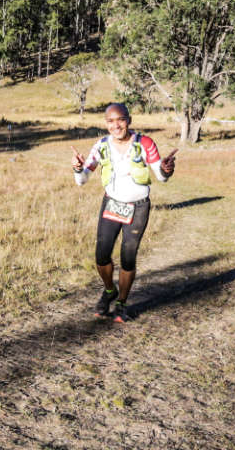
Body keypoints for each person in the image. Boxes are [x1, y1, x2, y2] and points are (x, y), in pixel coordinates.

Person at [72, 103, 176, 322]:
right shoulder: (101, 146)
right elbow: (81, 181)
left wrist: (167, 170)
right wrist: (78, 168)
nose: (116, 125)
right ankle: (109, 290)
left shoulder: (144, 143)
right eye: (110, 121)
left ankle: (121, 303)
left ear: (129, 120)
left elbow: (161, 176)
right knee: (101, 255)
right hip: (112, 204)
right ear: (106, 123)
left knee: (128, 257)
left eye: (120, 119)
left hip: (137, 206)